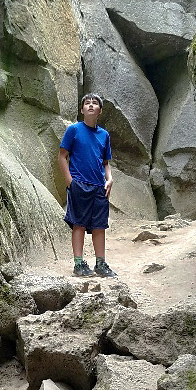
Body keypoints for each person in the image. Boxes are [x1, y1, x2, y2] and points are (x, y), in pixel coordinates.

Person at [58, 93, 117, 278]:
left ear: (100, 111)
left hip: (100, 187)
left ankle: (100, 263)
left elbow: (105, 162)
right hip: (79, 184)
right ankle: (78, 264)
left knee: (100, 225)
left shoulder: (104, 135)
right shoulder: (74, 130)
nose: (91, 105)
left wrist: (110, 179)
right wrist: (69, 181)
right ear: (82, 109)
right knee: (79, 224)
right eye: (87, 103)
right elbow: (62, 155)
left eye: (95, 103)